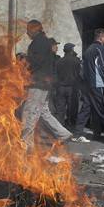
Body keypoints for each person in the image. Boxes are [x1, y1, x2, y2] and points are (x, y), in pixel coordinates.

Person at [21, 19, 72, 151]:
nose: (27, 33)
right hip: (45, 84)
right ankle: (63, 134)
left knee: (30, 112)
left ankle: (26, 144)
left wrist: (24, 64)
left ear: (34, 29)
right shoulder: (45, 41)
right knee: (44, 112)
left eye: (28, 30)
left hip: (38, 83)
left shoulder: (38, 43)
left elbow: (35, 62)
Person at [72, 28, 104, 143]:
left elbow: (83, 70)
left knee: (86, 108)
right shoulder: (100, 49)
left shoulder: (88, 50)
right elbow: (103, 67)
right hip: (98, 84)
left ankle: (77, 134)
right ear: (101, 37)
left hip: (88, 85)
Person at [55, 43, 81, 128]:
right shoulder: (76, 61)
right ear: (72, 50)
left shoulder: (59, 61)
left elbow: (56, 75)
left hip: (61, 88)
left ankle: (59, 127)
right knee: (72, 108)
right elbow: (79, 74)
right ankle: (71, 126)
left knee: (60, 109)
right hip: (72, 88)